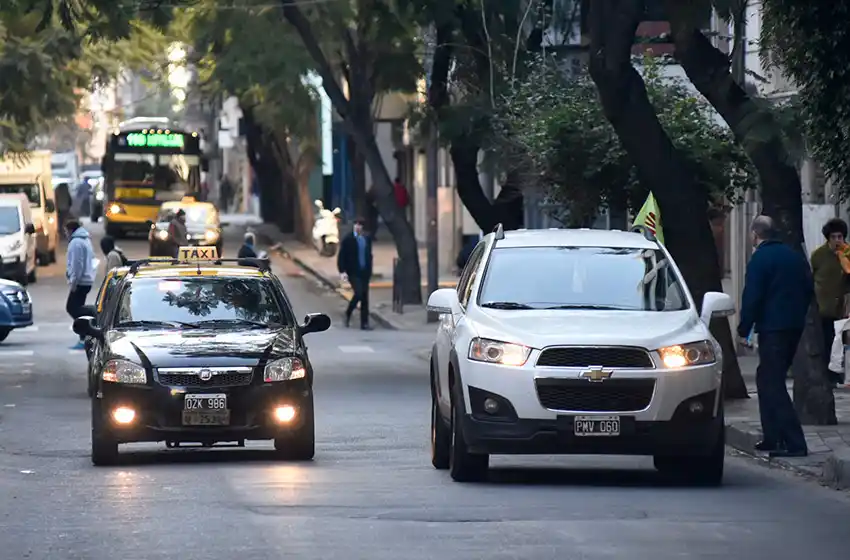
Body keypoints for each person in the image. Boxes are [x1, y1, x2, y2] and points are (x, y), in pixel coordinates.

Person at [737, 215, 811, 458]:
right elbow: (809, 289)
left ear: (755, 235)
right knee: (766, 378)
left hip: (773, 328)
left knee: (772, 383)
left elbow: (753, 297)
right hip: (793, 326)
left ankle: (794, 442)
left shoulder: (761, 259)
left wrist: (743, 328)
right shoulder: (794, 256)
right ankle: (772, 437)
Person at [810, 217, 850, 385]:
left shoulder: (848, 253)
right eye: (833, 237)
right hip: (824, 306)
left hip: (842, 308)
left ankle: (840, 374)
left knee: (841, 343)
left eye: (839, 237)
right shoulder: (819, 255)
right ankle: (828, 376)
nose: (836, 241)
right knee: (826, 341)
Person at [65, 219, 96, 349]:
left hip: (80, 281)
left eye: (66, 231)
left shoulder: (76, 242)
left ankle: (91, 322)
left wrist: (73, 282)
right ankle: (84, 336)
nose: (65, 234)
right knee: (77, 307)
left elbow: (78, 264)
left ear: (70, 230)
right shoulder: (85, 240)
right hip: (87, 279)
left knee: (72, 308)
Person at [337, 217, 373, 330]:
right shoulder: (348, 239)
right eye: (356, 224)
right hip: (353, 272)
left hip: (364, 271)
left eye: (360, 225)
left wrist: (370, 269)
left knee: (365, 298)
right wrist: (342, 271)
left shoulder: (366, 239)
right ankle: (348, 313)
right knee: (358, 293)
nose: (358, 227)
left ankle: (364, 323)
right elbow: (341, 256)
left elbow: (369, 255)